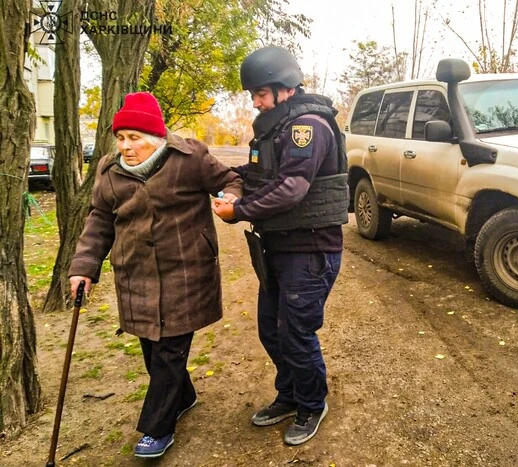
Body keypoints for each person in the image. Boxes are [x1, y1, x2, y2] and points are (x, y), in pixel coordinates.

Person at [68, 91, 243, 458]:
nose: (126, 147)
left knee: (169, 350)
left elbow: (230, 180)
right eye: (120, 138)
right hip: (136, 274)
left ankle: (157, 428)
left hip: (185, 271)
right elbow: (99, 220)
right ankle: (185, 396)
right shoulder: (109, 171)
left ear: (156, 138)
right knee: (152, 346)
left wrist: (229, 198)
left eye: (135, 138)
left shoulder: (189, 158)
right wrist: (84, 267)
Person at [211, 45, 348, 446]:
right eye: (253, 95)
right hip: (279, 249)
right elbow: (253, 173)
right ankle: (289, 395)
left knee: (295, 332)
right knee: (271, 330)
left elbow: (292, 188)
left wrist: (240, 211)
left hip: (310, 250)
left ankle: (311, 403)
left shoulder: (309, 127)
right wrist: (223, 181)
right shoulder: (273, 129)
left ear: (284, 86)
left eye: (260, 93)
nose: (255, 101)